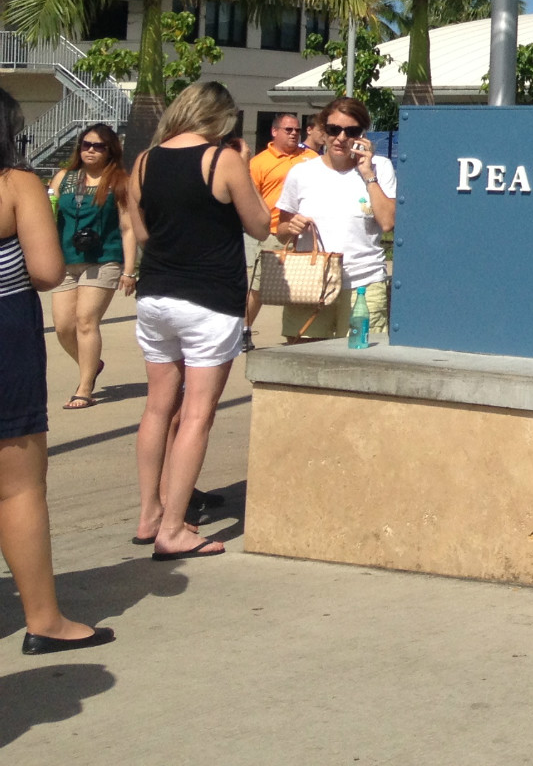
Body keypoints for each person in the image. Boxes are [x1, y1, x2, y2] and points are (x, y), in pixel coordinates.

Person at [128, 81, 271, 558]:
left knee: (157, 409)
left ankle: (149, 514)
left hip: (156, 295)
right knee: (196, 414)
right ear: (220, 118)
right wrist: (243, 164)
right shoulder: (221, 159)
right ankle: (173, 530)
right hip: (209, 298)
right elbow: (260, 225)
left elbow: (143, 232)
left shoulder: (144, 162)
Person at [0, 87, 115, 652]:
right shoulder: (16, 184)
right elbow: (47, 270)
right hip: (5, 338)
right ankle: (44, 620)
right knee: (17, 488)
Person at [274, 96, 395, 341]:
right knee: (302, 359)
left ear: (362, 134)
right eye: (333, 129)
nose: (341, 138)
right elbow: (281, 230)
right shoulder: (302, 172)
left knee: (361, 364)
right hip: (310, 282)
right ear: (322, 130)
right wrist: (292, 226)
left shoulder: (380, 168)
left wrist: (368, 174)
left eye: (351, 131)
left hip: (363, 284)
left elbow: (387, 222)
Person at [48, 124, 139, 409]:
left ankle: (85, 388)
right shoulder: (63, 178)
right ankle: (92, 364)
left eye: (98, 146)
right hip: (65, 260)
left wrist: (128, 270)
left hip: (103, 260)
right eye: (86, 144)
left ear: (110, 150)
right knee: (63, 327)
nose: (90, 150)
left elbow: (128, 229)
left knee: (86, 320)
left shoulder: (119, 181)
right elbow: (47, 215)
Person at [240, 112, 312, 350]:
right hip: (271, 234)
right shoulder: (259, 163)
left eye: (297, 130)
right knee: (258, 288)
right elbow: (249, 198)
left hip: (305, 234)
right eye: (288, 130)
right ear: (274, 132)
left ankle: (300, 335)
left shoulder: (311, 158)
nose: (293, 134)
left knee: (304, 287)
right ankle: (243, 331)